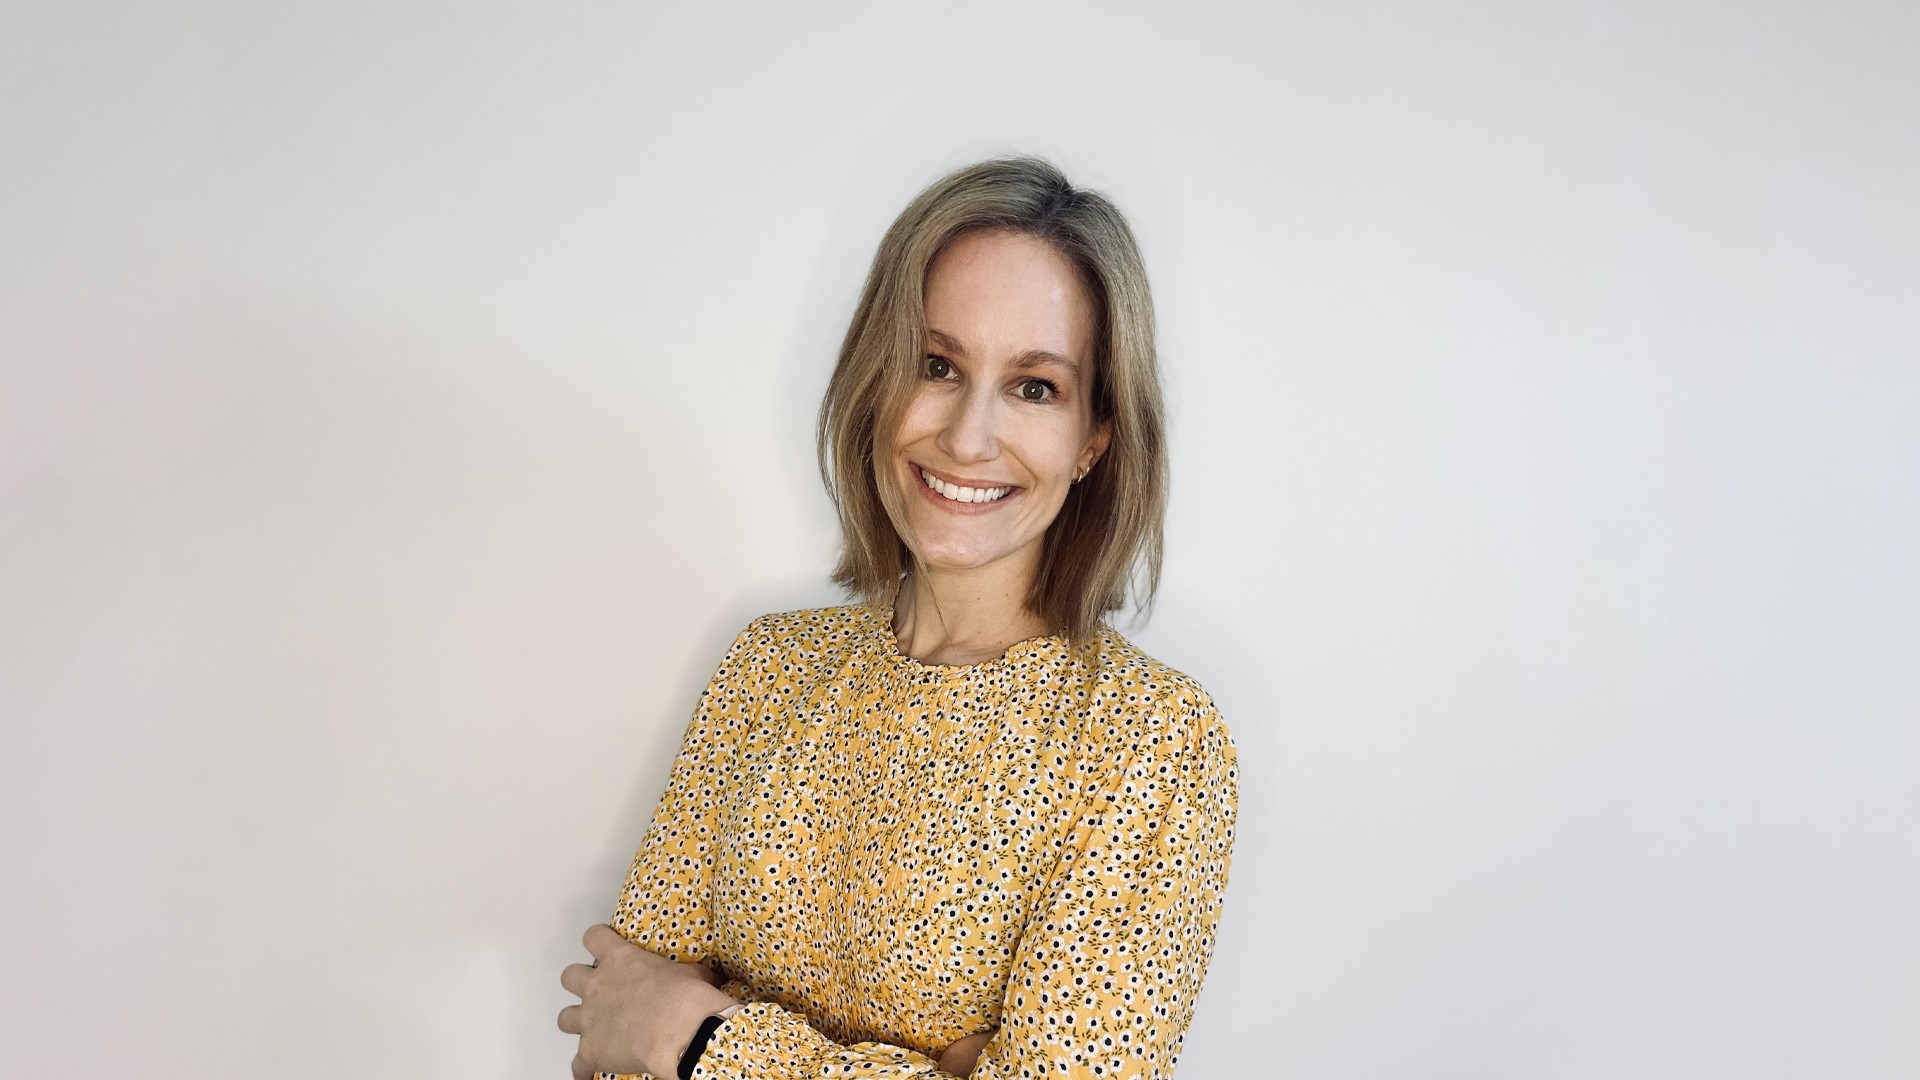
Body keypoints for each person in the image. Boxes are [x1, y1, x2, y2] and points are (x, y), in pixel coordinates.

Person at [558, 157, 1239, 1080]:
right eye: (937, 365)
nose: (967, 436)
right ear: (877, 380)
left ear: (1095, 439)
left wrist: (705, 1039)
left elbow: (656, 1035)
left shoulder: (1151, 742)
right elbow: (615, 1037)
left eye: (1035, 386)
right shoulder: (768, 669)